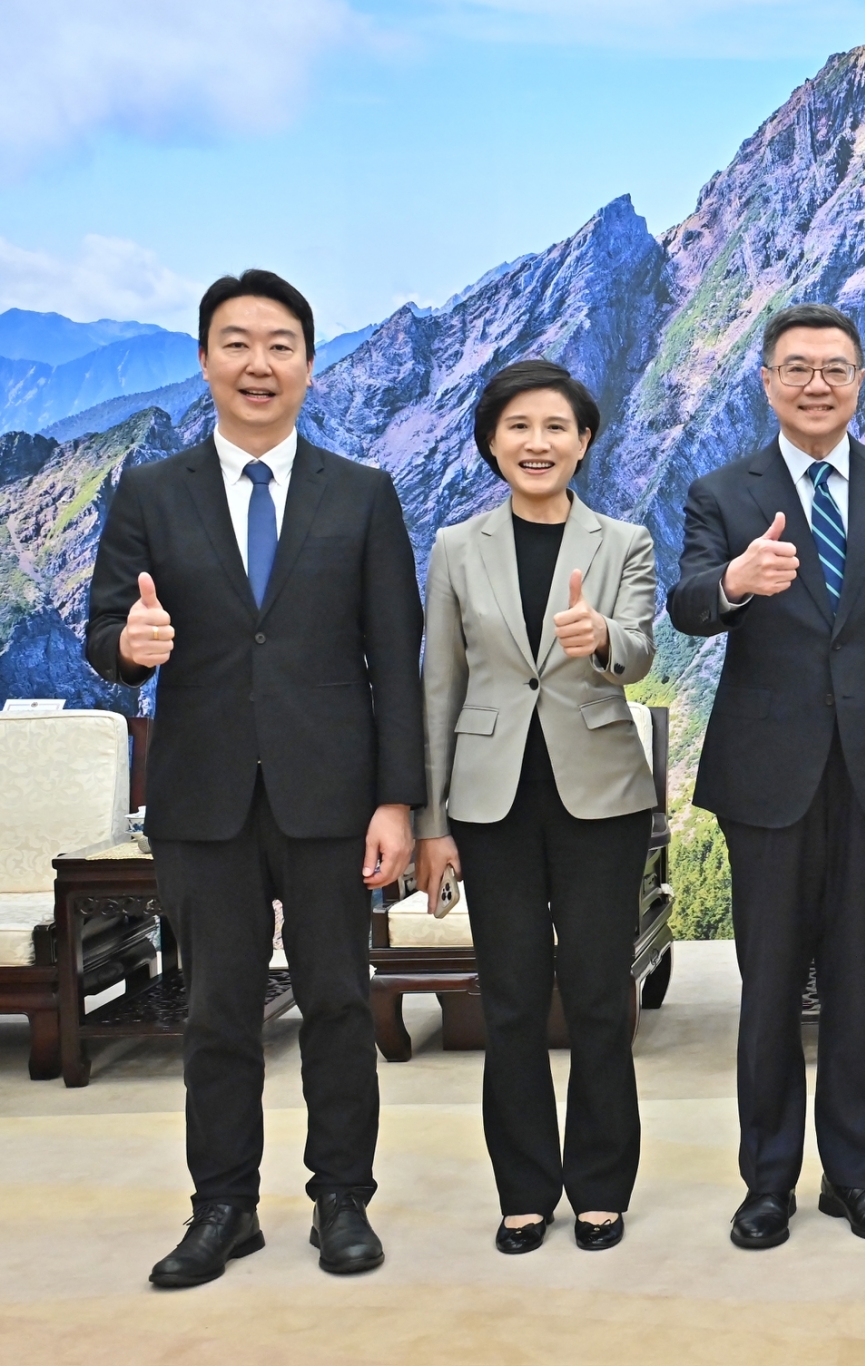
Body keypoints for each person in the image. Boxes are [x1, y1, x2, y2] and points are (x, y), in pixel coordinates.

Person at [84, 270, 424, 1287]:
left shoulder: (361, 493)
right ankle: (223, 1208)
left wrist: (397, 799)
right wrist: (130, 647)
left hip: (333, 797)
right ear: (204, 360)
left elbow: (394, 656)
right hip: (204, 798)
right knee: (217, 1011)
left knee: (337, 1003)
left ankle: (342, 1199)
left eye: (280, 345)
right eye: (236, 343)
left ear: (310, 367)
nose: (258, 363)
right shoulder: (152, 492)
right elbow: (105, 631)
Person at [669, 303, 865, 1249]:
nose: (817, 384)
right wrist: (736, 582)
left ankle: (857, 1180)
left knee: (859, 982)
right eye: (796, 368)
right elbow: (687, 604)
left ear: (861, 380)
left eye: (836, 368)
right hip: (766, 776)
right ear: (767, 382)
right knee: (768, 986)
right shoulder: (724, 491)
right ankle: (767, 1183)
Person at [413, 360, 658, 1255]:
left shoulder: (622, 541)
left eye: (557, 426)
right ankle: (523, 1190)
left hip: (602, 799)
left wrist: (603, 639)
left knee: (597, 997)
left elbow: (639, 652)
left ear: (584, 442)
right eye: (518, 426)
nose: (538, 443)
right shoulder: (455, 546)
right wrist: (432, 822)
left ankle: (600, 1186)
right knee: (511, 1000)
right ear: (491, 442)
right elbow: (439, 686)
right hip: (491, 802)